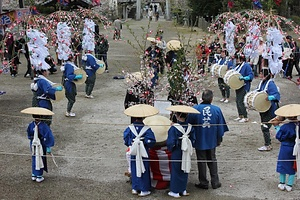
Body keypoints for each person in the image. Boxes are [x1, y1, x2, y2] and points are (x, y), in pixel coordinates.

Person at [187, 89, 229, 190]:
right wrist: (219, 138)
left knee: (201, 161)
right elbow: (220, 126)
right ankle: (215, 182)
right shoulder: (217, 109)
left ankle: (203, 182)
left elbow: (189, 125)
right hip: (212, 139)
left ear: (202, 98)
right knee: (212, 159)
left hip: (200, 139)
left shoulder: (195, 109)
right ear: (211, 99)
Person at [123, 117, 156, 197]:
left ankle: (135, 187)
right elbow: (151, 141)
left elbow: (126, 139)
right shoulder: (147, 129)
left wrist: (132, 143)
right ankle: (144, 189)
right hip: (143, 150)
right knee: (144, 168)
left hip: (134, 150)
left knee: (134, 167)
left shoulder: (130, 128)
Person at [166, 110, 195, 198]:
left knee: (176, 169)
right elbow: (193, 139)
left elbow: (170, 142)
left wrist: (171, 147)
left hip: (177, 150)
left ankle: (175, 191)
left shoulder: (174, 128)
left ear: (177, 116)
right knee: (185, 168)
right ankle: (183, 189)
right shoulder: (190, 127)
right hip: (186, 149)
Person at [256, 67, 280, 151]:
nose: (260, 75)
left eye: (261, 74)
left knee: (265, 126)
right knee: (274, 124)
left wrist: (269, 97)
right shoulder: (262, 83)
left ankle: (268, 145)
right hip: (264, 108)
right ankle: (283, 137)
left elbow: (277, 95)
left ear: (266, 75)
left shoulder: (270, 84)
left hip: (271, 108)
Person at [27, 113, 55, 183]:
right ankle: (39, 175)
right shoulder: (44, 126)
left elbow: (28, 133)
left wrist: (32, 138)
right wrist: (48, 146)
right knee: (40, 158)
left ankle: (34, 174)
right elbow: (48, 135)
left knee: (34, 157)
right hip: (41, 144)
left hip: (33, 143)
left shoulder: (31, 125)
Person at [276, 116, 298, 192]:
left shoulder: (285, 127)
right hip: (296, 147)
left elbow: (279, 136)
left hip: (285, 148)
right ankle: (289, 185)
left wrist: (276, 127)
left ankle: (282, 183)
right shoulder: (298, 126)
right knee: (293, 165)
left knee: (283, 164)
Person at [234, 53, 254, 123]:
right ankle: (240, 115)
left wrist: (245, 78)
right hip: (238, 86)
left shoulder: (246, 66)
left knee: (240, 101)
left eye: (237, 59)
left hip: (244, 86)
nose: (236, 60)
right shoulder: (238, 66)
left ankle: (245, 116)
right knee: (237, 101)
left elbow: (251, 75)